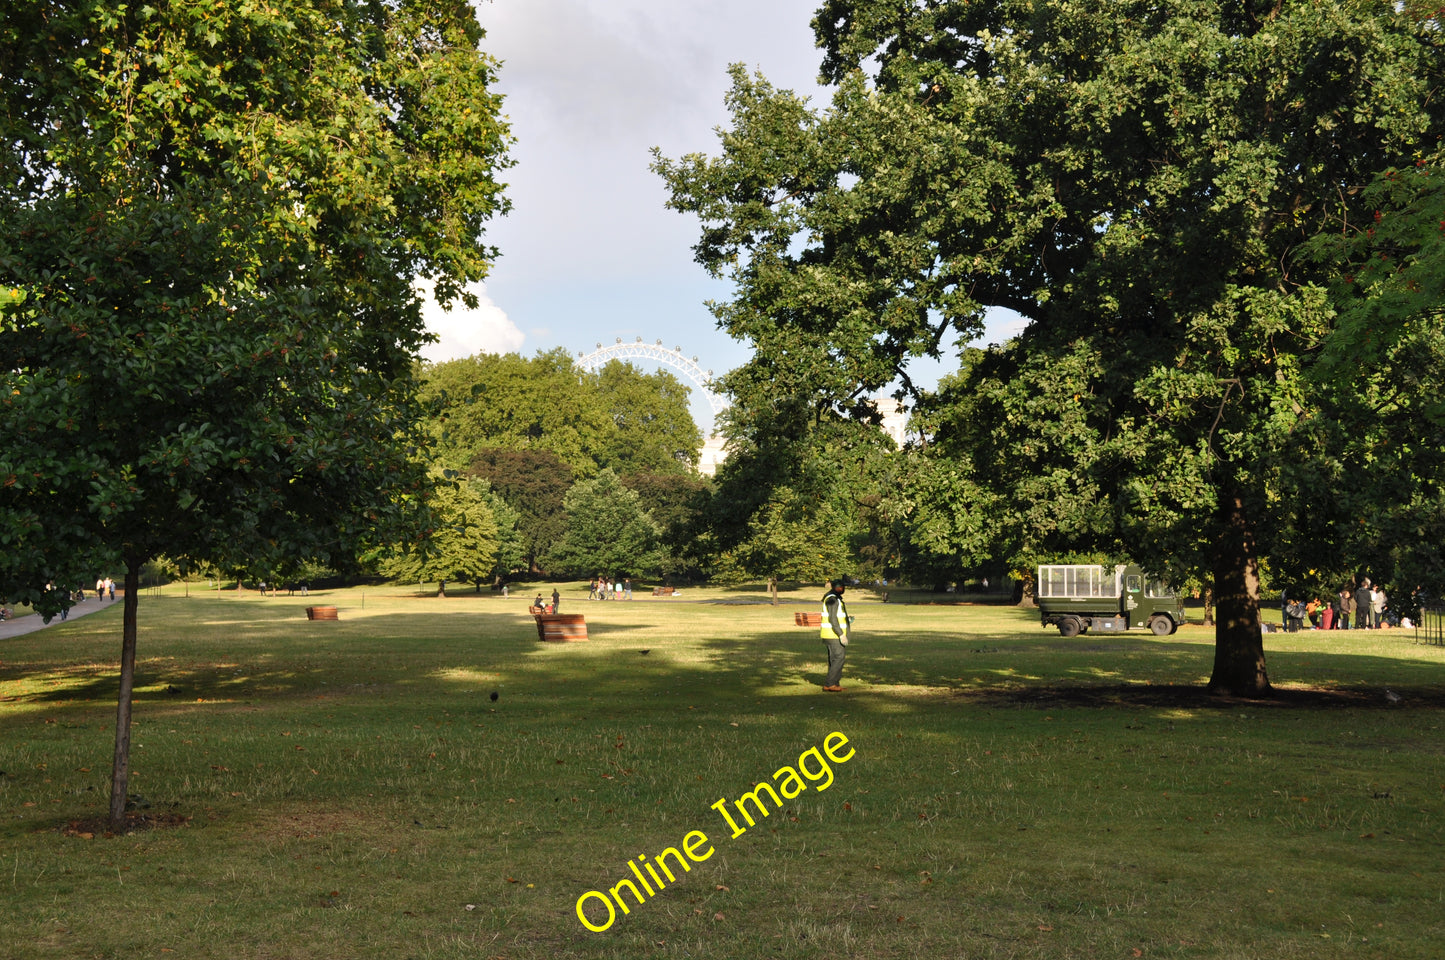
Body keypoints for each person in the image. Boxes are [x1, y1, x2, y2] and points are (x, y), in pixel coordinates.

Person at [819, 578, 852, 692]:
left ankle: (835, 683)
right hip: (833, 635)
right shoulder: (832, 599)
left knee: (834, 659)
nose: (842, 589)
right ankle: (829, 684)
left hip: (831, 634)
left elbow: (836, 616)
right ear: (837, 587)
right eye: (841, 587)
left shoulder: (834, 598)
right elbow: (832, 618)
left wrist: (847, 619)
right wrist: (841, 634)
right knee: (839, 658)